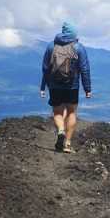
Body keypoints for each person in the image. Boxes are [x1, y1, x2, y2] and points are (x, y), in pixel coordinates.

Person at [40, 21, 92, 153]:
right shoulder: (79, 47)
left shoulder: (51, 46)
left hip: (54, 85)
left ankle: (61, 131)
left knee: (57, 112)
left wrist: (43, 86)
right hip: (72, 87)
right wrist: (87, 89)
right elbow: (85, 69)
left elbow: (46, 68)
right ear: (74, 32)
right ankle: (67, 144)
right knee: (71, 112)